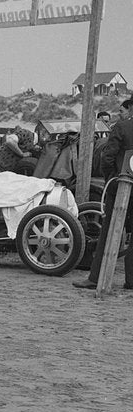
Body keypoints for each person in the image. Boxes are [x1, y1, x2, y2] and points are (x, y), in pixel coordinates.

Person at [73, 97, 133, 290]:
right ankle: (131, 280)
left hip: (120, 186)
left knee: (108, 231)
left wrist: (112, 181)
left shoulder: (122, 127)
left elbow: (107, 158)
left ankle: (96, 278)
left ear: (131, 108)